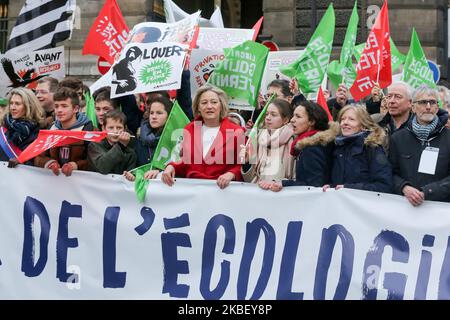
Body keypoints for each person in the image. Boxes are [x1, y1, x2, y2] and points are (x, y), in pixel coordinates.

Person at [161, 84, 245, 189]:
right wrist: (172, 166)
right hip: (194, 190)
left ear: (221, 105)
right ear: (198, 107)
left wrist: (231, 174)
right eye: (204, 103)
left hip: (223, 190)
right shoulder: (190, 129)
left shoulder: (237, 131)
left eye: (214, 102)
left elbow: (243, 165)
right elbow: (186, 163)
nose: (209, 106)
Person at [389, 85, 450, 206]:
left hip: (440, 209)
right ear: (413, 107)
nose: (428, 107)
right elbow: (389, 172)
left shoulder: (448, 137)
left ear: (437, 107)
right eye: (422, 102)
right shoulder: (398, 138)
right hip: (405, 207)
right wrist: (404, 187)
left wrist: (428, 191)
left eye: (432, 102)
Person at [260, 101, 336, 192]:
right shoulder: (311, 143)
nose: (292, 120)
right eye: (293, 115)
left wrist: (283, 184)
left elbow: (314, 186)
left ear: (311, 121)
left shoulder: (312, 148)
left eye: (298, 116)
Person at [323, 105, 392, 193]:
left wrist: (348, 188)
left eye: (351, 119)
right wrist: (331, 187)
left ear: (363, 125)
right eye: (343, 119)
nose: (345, 122)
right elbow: (340, 183)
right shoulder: (337, 148)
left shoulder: (372, 148)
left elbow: (384, 185)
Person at [34, 87, 93, 176]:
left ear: (75, 109)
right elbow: (38, 156)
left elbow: (95, 161)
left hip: (80, 185)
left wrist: (75, 165)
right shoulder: (51, 129)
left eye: (64, 106)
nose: (59, 110)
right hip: (55, 182)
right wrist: (50, 163)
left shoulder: (89, 130)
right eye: (56, 106)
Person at [241, 98, 294, 183]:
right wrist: (247, 162)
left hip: (281, 193)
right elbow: (249, 178)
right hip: (258, 191)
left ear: (285, 120)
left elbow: (294, 176)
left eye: (273, 115)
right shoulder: (259, 138)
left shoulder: (292, 141)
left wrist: (278, 184)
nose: (268, 118)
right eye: (267, 114)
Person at [0, 88, 45, 165]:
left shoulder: (39, 132)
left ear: (29, 106)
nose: (13, 108)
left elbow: (38, 161)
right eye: (11, 103)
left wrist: (21, 160)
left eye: (17, 104)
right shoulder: (3, 127)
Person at [133, 96, 173, 180]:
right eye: (151, 113)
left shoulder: (175, 139)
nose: (154, 117)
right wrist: (133, 175)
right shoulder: (139, 138)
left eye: (159, 113)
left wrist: (159, 172)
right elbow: (136, 167)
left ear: (169, 115)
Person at [88, 110, 136, 174]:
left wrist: (131, 176)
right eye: (111, 128)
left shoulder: (130, 152)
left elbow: (131, 174)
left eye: (119, 128)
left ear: (125, 129)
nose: (115, 131)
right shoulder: (94, 146)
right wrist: (120, 145)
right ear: (103, 128)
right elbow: (102, 167)